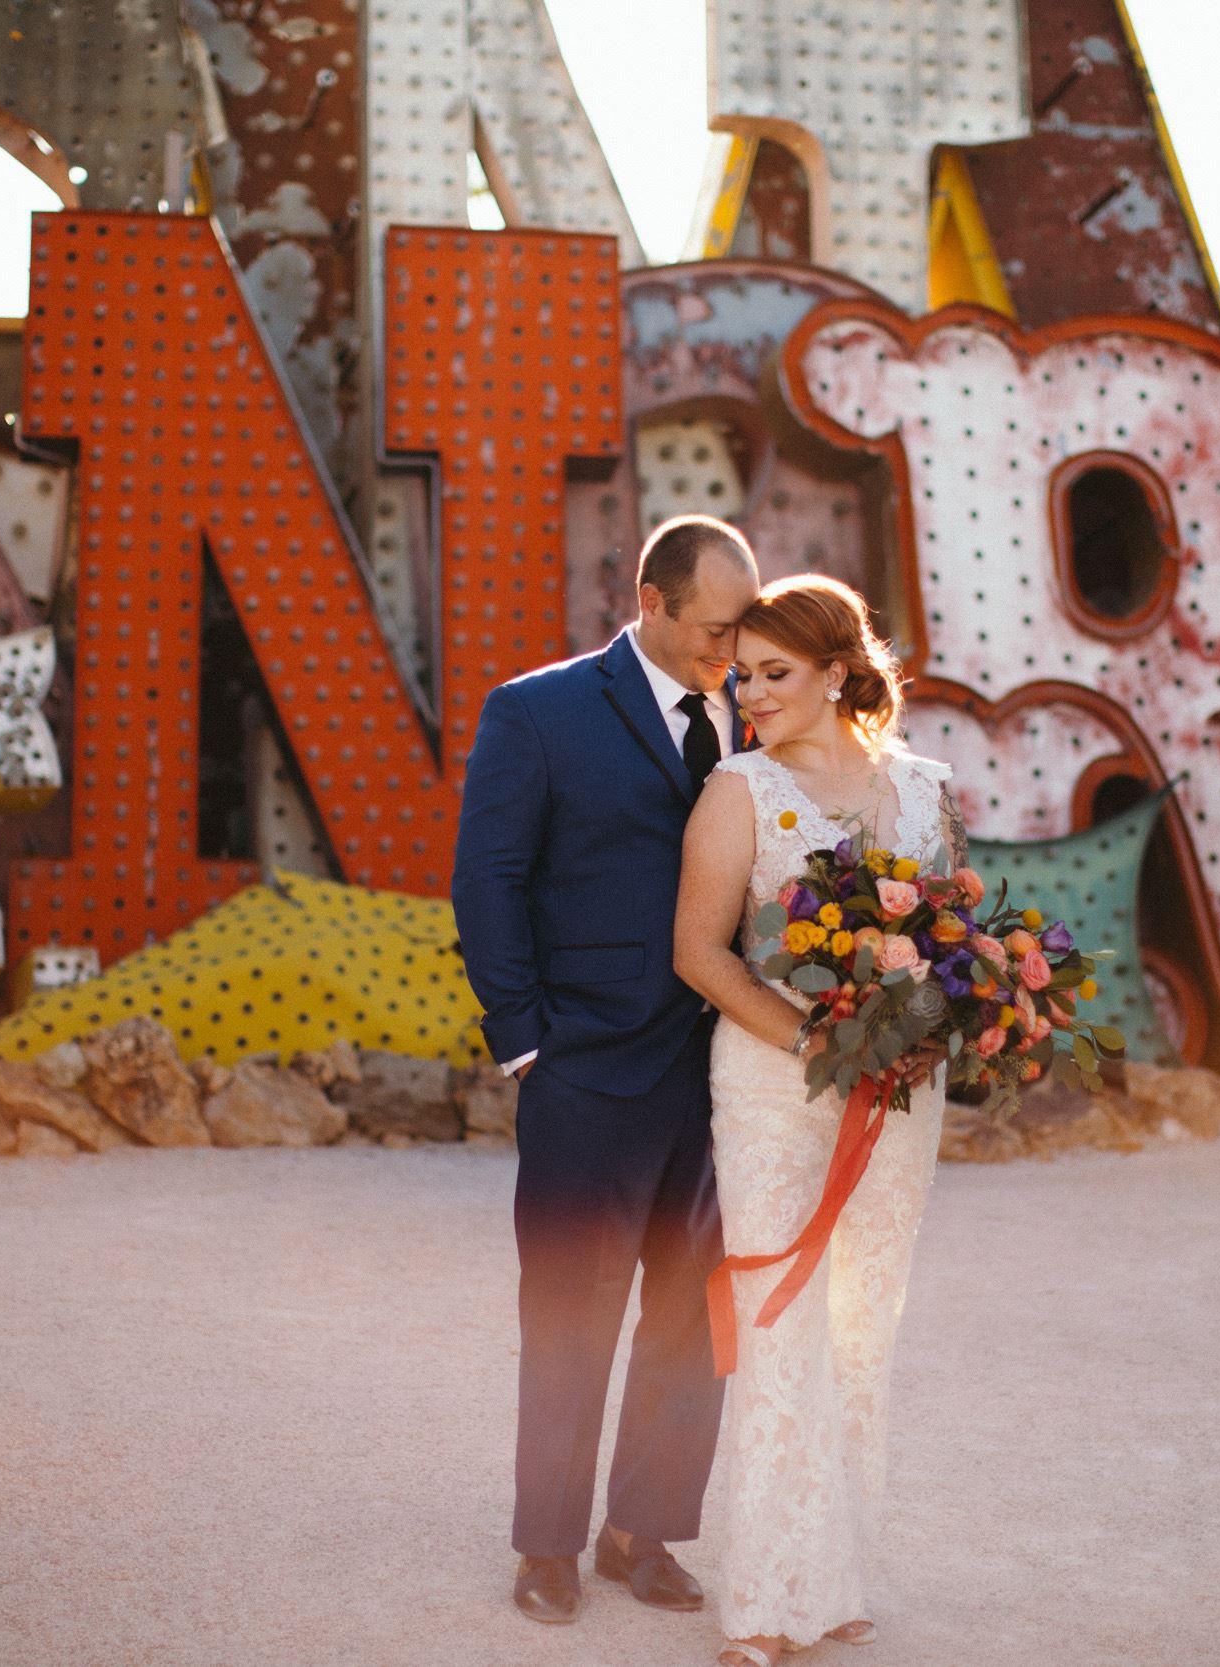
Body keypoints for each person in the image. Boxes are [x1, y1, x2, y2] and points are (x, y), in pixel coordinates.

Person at [451, 514, 762, 1627]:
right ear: (653, 599)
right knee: (571, 1312)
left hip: (724, 1077)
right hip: (585, 1067)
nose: (734, 651)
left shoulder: (755, 714)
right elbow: (487, 875)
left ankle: (645, 1530)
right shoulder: (536, 710)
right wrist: (528, 1039)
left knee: (696, 1317)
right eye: (717, 628)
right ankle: (547, 1544)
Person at [671, 575, 964, 1666]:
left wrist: (942, 1022)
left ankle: (833, 1576)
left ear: (837, 672)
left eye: (773, 672)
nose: (748, 693)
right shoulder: (736, 790)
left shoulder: (929, 791)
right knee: (779, 1321)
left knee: (859, 1326)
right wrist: (813, 1046)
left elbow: (952, 940)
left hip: (898, 1094)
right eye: (741, 673)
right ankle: (762, 1597)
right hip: (771, 1088)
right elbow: (697, 951)